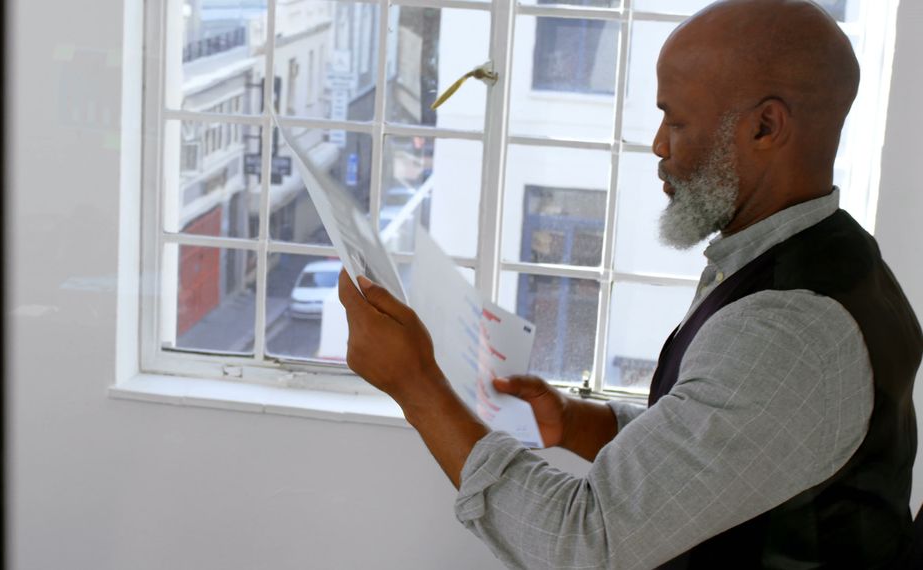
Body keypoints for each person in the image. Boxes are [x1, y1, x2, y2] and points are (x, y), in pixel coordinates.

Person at [336, 0, 923, 567]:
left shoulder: (787, 330)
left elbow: (580, 544)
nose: (659, 145)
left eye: (677, 119)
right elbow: (735, 442)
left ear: (765, 127)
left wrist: (416, 385)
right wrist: (577, 423)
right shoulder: (831, 253)